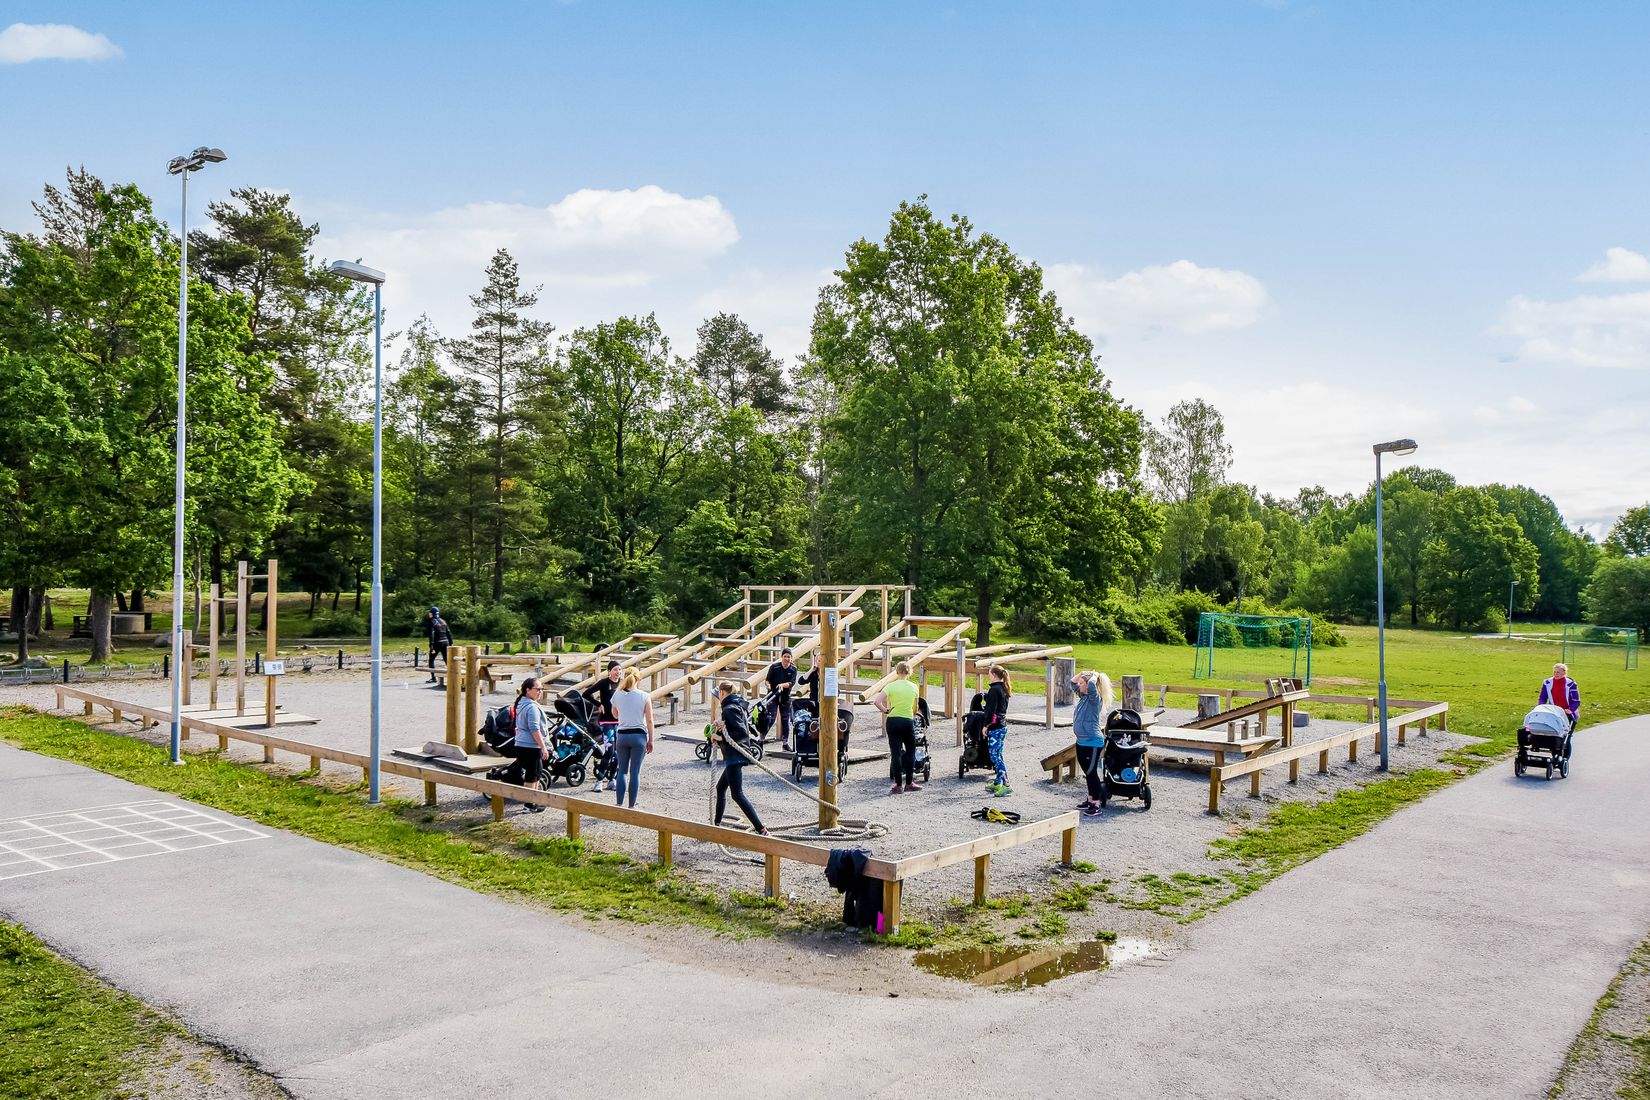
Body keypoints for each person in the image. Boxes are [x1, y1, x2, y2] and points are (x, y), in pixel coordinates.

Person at [712, 682, 768, 834]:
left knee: (737, 794)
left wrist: (719, 736)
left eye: (718, 693)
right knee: (720, 788)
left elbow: (739, 733)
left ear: (722, 693)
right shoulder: (735, 706)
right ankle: (716, 824)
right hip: (733, 755)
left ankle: (761, 828)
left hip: (734, 755)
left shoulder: (729, 708)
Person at [874, 661, 922, 794]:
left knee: (895, 753)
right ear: (909, 672)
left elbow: (876, 701)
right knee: (911, 751)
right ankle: (909, 782)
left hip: (893, 720)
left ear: (896, 672)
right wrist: (911, 715)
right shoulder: (914, 687)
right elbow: (915, 707)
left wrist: (885, 710)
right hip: (907, 720)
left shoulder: (891, 686)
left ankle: (898, 784)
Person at [610, 669, 654, 809]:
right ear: (638, 679)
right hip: (638, 735)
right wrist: (651, 740)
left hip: (622, 735)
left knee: (622, 770)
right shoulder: (644, 696)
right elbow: (650, 720)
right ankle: (631, 804)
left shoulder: (617, 694)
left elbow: (615, 715)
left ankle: (619, 802)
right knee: (635, 771)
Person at [1071, 671, 1113, 816]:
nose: (1079, 685)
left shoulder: (1095, 699)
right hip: (1081, 741)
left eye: (1082, 683)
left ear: (1089, 686)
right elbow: (1072, 682)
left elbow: (1090, 683)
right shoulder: (1083, 696)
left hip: (1093, 742)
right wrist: (1082, 673)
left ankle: (1096, 804)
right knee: (1087, 773)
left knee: (1091, 772)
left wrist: (1095, 675)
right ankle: (1090, 799)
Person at [512, 677, 550, 813]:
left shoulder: (522, 702)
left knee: (535, 773)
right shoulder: (531, 707)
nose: (540, 692)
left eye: (541, 689)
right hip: (530, 745)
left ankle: (534, 801)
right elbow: (534, 729)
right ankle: (529, 804)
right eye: (537, 689)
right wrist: (543, 747)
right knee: (532, 775)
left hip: (522, 743)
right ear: (528, 690)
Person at [584, 661, 622, 792]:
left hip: (620, 722)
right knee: (609, 751)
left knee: (618, 753)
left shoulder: (622, 683)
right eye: (616, 670)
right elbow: (586, 694)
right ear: (610, 671)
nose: (618, 672)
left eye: (620, 670)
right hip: (607, 722)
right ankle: (599, 781)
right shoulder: (604, 683)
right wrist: (598, 704)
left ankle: (612, 779)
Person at [983, 666, 1013, 796]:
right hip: (1002, 725)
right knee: (998, 754)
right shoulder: (1003, 688)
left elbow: (991, 710)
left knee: (994, 756)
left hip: (995, 727)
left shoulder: (994, 690)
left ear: (994, 675)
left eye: (989, 673)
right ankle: (998, 782)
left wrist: (986, 725)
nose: (988, 675)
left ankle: (1006, 784)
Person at [764, 648, 799, 749]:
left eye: (788, 657)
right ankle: (761, 739)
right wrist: (768, 685)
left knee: (785, 721)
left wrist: (782, 685)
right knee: (770, 719)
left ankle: (785, 743)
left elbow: (791, 683)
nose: (786, 659)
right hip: (773, 696)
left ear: (791, 658)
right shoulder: (774, 667)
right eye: (785, 656)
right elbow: (767, 680)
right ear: (782, 657)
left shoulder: (793, 669)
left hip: (785, 697)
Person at [425, 607, 452, 684]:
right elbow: (448, 632)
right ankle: (451, 675)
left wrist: (431, 645)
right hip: (445, 642)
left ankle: (433, 678)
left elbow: (432, 634)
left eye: (430, 613)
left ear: (432, 613)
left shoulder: (432, 621)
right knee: (446, 660)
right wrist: (451, 643)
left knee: (431, 660)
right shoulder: (443, 621)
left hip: (437, 642)